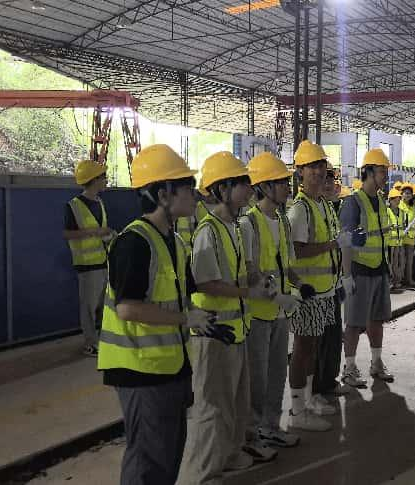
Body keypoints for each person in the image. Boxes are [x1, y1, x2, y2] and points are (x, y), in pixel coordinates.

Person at [99, 145, 231, 485]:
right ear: (162, 194)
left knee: (169, 454)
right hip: (140, 369)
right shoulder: (134, 242)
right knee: (148, 459)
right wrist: (187, 320)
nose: (194, 194)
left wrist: (204, 321)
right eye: (187, 186)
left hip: (169, 365)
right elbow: (128, 308)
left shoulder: (174, 242)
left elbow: (179, 301)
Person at [180, 151, 271, 483]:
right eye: (242, 183)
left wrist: (258, 279)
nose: (249, 189)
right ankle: (202, 474)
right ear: (222, 189)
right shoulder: (209, 231)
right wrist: (249, 293)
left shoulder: (233, 227)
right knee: (211, 408)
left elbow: (241, 271)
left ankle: (229, 456)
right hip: (214, 333)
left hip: (235, 329)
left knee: (235, 402)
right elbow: (206, 283)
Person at [239, 151, 304, 457]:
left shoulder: (282, 221)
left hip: (280, 312)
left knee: (278, 372)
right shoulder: (249, 224)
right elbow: (250, 271)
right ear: (263, 187)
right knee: (257, 378)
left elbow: (286, 264)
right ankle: (252, 436)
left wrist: (301, 286)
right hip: (258, 314)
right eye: (280, 182)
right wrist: (277, 295)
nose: (286, 187)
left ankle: (271, 427)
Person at [287, 140, 351, 432]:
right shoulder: (300, 209)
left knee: (312, 349)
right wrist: (332, 244)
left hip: (324, 290)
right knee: (302, 350)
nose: (317, 171)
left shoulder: (322, 205)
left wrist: (340, 279)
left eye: (320, 165)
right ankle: (297, 410)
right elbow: (297, 250)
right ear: (300, 171)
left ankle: (310, 398)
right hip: (307, 292)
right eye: (310, 167)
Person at [339, 147, 395, 387]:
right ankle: (349, 369)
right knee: (354, 323)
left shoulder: (381, 201)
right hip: (360, 271)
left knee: (377, 320)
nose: (386, 176)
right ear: (369, 172)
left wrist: (387, 267)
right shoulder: (353, 202)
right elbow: (345, 241)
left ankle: (376, 362)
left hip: (379, 269)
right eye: (382, 171)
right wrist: (346, 276)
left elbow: (380, 237)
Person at [63, 159, 114, 356]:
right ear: (94, 180)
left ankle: (101, 340)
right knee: (89, 308)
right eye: (103, 177)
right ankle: (90, 343)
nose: (106, 180)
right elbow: (67, 234)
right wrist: (95, 232)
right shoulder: (74, 206)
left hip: (103, 262)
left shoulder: (99, 202)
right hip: (86, 265)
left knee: (102, 306)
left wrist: (108, 235)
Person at [312, 164, 349, 410]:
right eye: (324, 180)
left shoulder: (328, 208)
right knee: (318, 343)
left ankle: (329, 381)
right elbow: (301, 249)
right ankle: (315, 388)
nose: (328, 184)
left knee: (334, 338)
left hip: (332, 283)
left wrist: (344, 277)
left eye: (331, 180)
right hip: (315, 289)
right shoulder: (306, 209)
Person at [398, 183, 415, 288]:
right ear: (401, 194)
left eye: (409, 193)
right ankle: (399, 279)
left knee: (410, 261)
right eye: (406, 193)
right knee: (401, 260)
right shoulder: (399, 205)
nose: (408, 195)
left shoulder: (413, 207)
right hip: (401, 237)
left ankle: (409, 279)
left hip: (411, 237)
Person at [386, 188, 405, 293]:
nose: (397, 201)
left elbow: (403, 224)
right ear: (390, 200)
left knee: (397, 263)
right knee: (390, 263)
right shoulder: (387, 211)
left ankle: (396, 281)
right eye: (395, 199)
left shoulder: (401, 212)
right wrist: (391, 226)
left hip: (399, 241)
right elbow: (386, 225)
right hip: (390, 242)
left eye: (398, 199)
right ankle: (390, 282)